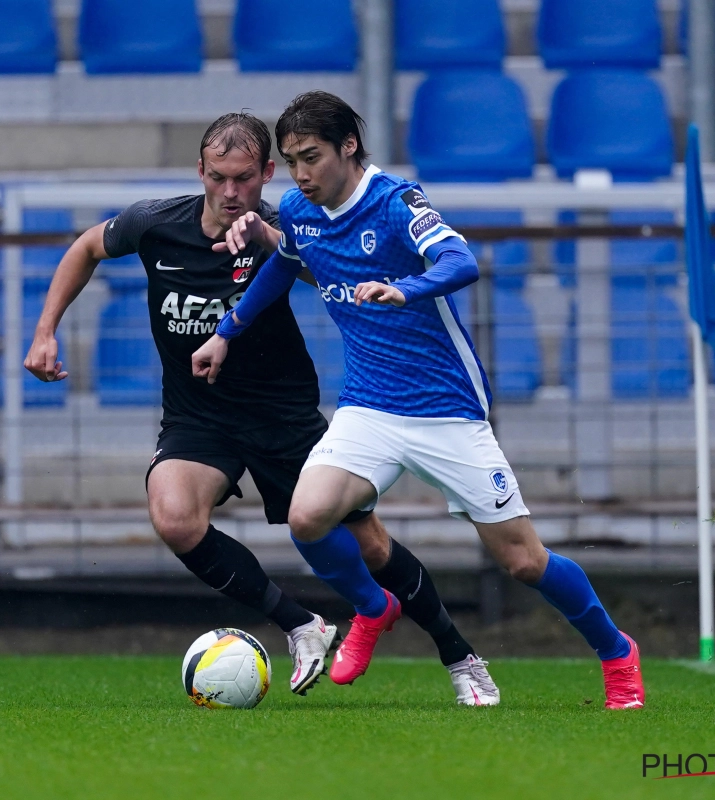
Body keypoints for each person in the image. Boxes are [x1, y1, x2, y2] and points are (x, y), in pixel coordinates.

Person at [25, 112, 497, 705]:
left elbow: (319, 268)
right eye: (218, 177)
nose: (230, 192)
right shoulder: (155, 223)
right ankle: (302, 625)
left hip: (282, 414)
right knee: (174, 516)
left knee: (370, 545)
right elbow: (87, 246)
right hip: (198, 415)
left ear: (268, 173)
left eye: (245, 178)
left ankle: (458, 653)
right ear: (200, 171)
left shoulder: (286, 223)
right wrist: (45, 331)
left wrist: (272, 240)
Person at [194, 93, 645, 709]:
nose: (300, 174)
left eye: (312, 157)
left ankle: (617, 651)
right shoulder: (300, 211)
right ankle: (371, 608)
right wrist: (227, 332)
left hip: (447, 410)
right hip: (369, 407)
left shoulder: (397, 200)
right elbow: (282, 267)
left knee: (523, 561)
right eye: (292, 161)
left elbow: (460, 261)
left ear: (347, 146)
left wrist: (407, 291)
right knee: (307, 517)